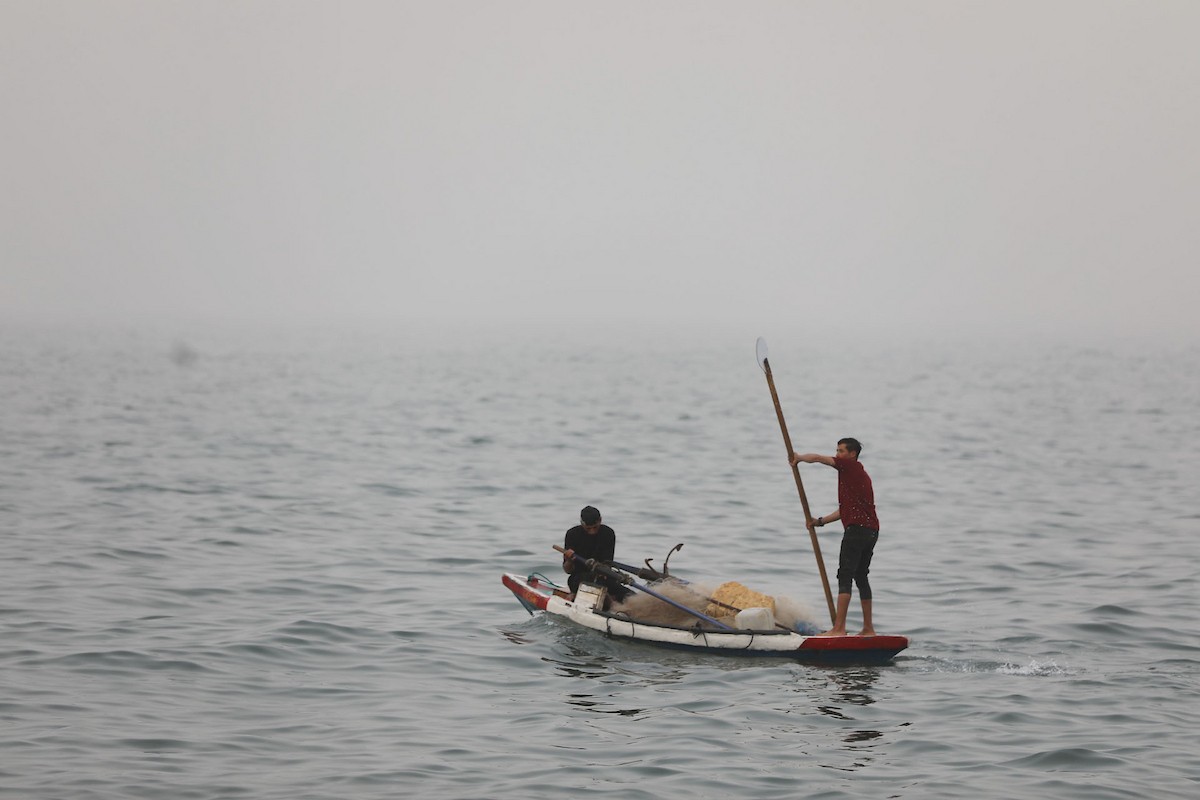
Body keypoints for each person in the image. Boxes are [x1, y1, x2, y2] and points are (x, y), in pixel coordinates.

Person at [790, 438, 879, 637]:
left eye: (841, 451)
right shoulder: (862, 476)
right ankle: (868, 629)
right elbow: (845, 510)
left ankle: (838, 629)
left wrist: (799, 458)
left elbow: (819, 458)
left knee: (845, 576)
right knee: (861, 576)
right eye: (837, 451)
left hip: (856, 531)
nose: (837, 455)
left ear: (852, 454)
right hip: (871, 531)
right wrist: (818, 522)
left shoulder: (848, 466)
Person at [562, 506, 630, 602]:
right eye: (588, 528)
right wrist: (569, 559)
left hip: (603, 577)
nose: (592, 532)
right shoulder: (572, 534)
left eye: (595, 527)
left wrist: (603, 570)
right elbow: (567, 570)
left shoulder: (608, 533)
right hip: (578, 578)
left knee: (629, 595)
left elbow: (608, 564)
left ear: (600, 520)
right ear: (582, 524)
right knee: (587, 581)